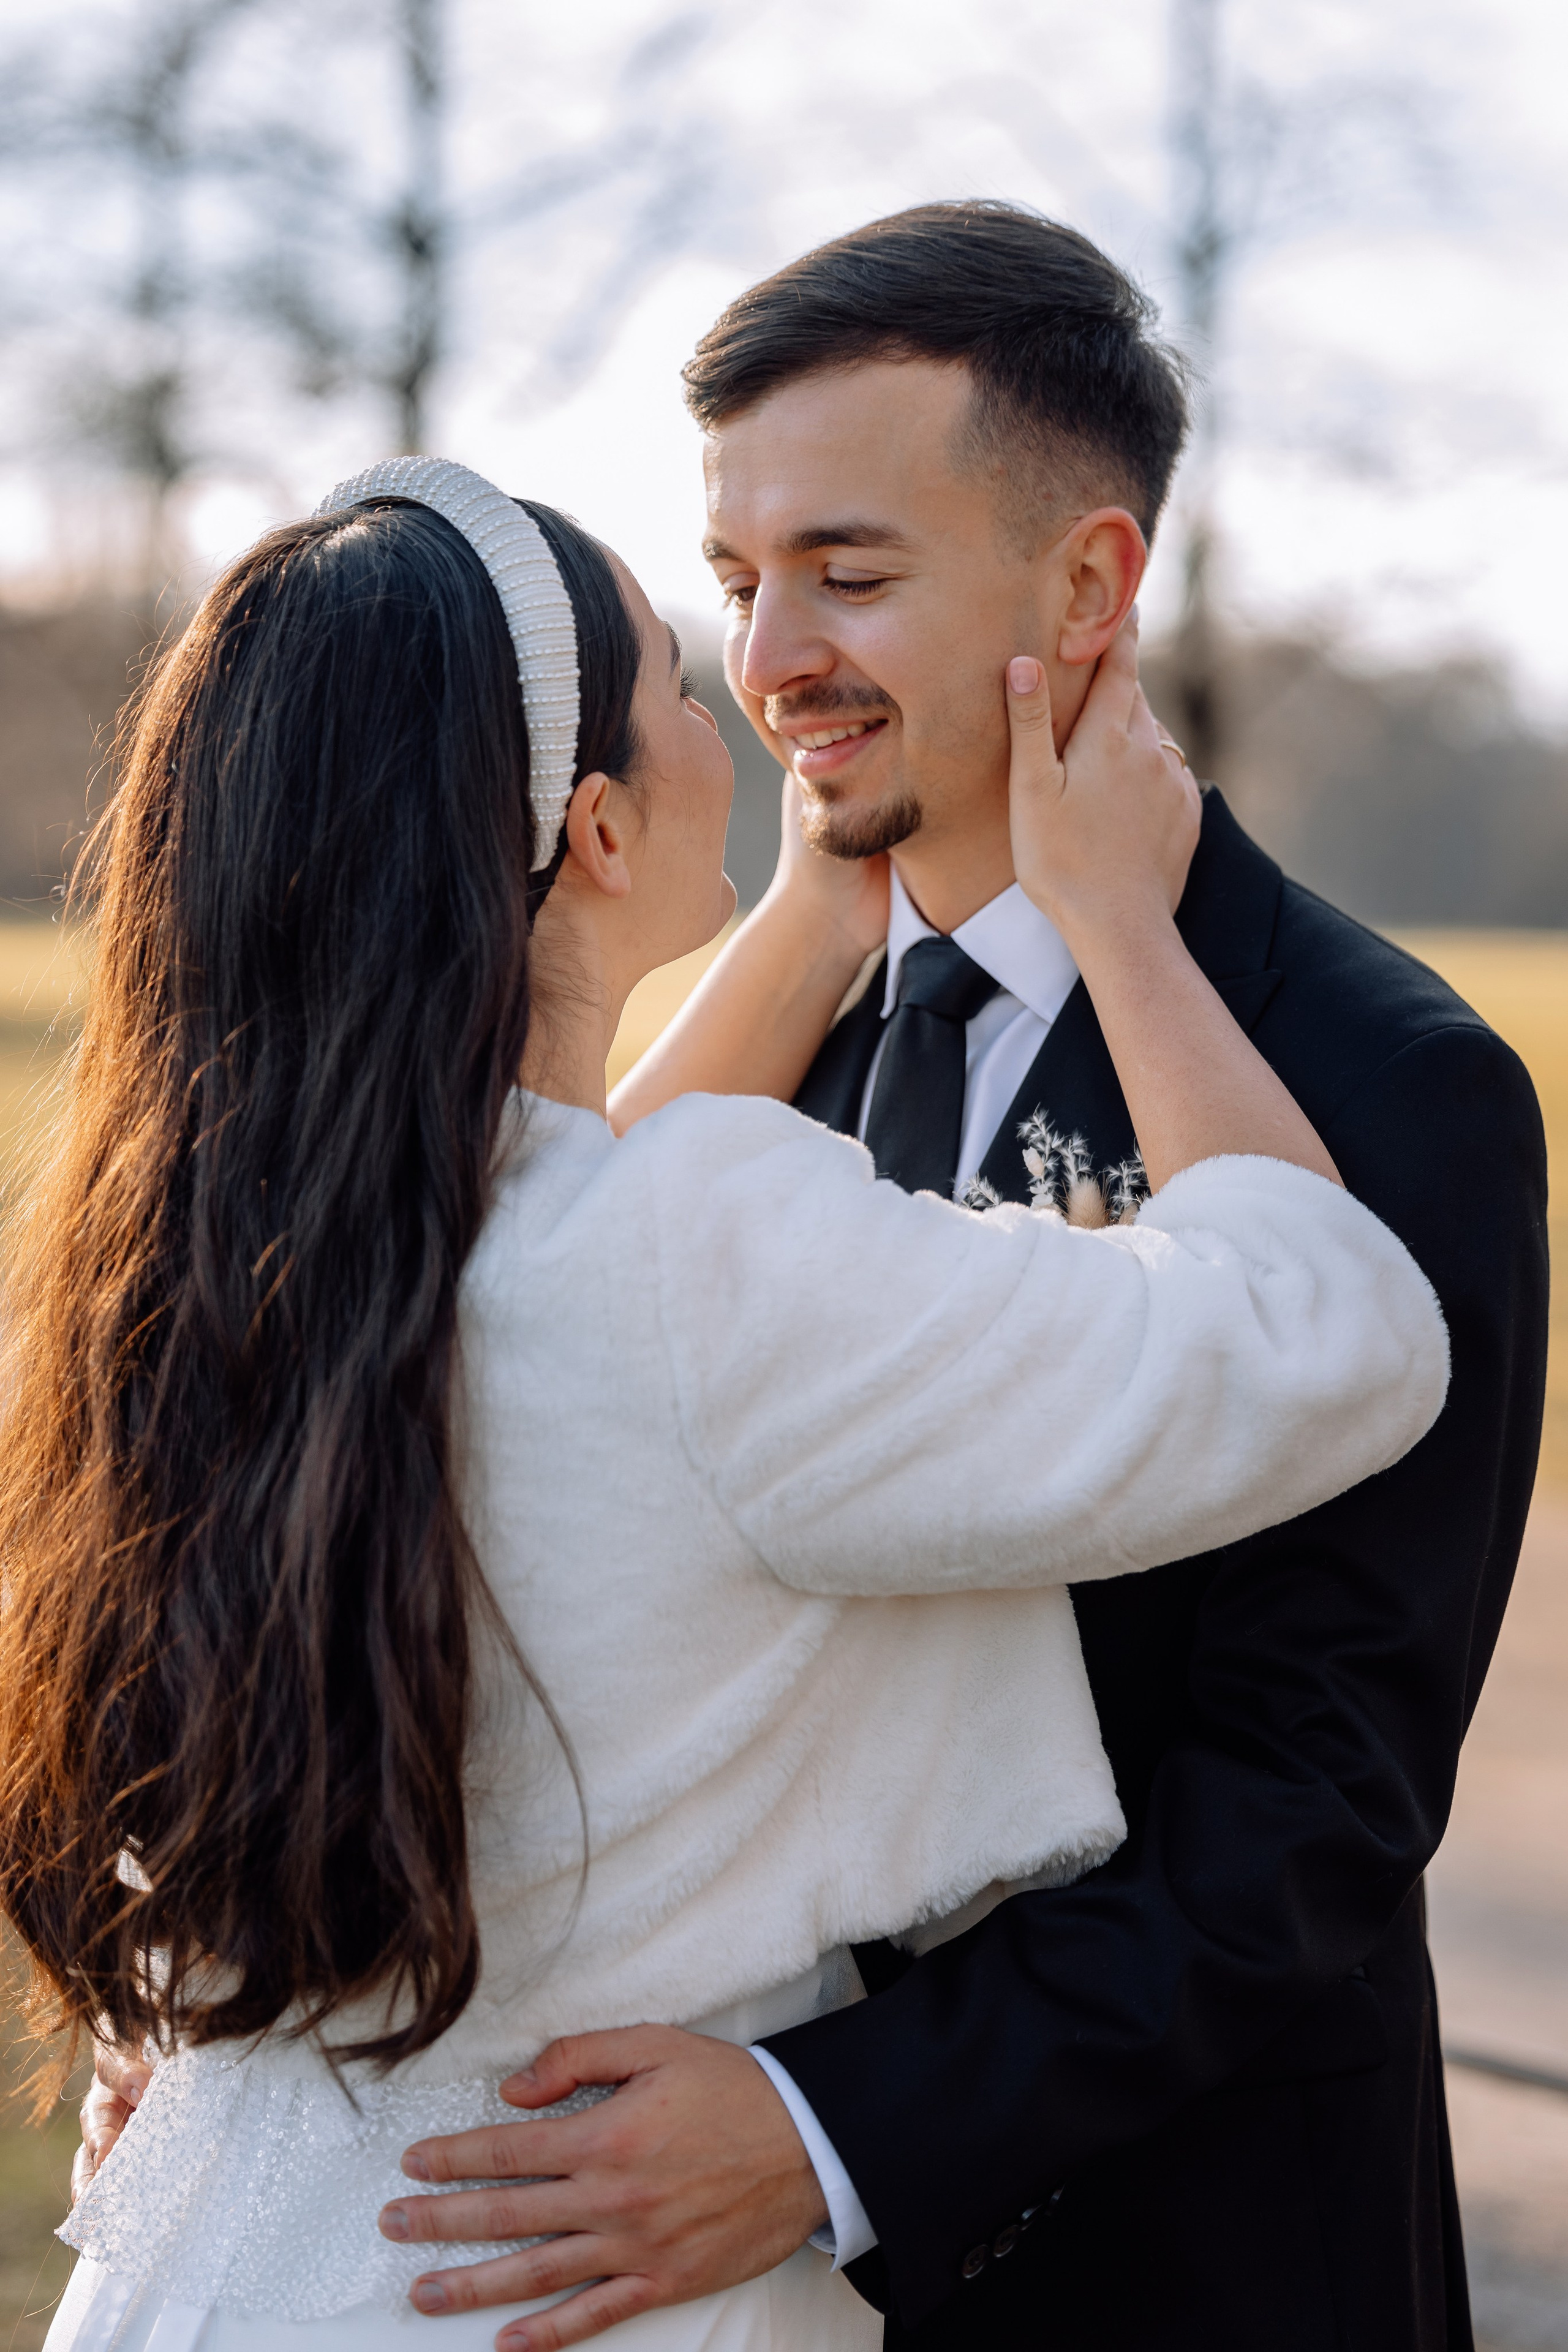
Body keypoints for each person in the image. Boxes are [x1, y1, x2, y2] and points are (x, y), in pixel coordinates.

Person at [10, 444, 1445, 2352]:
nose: (761, 686)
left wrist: (800, 926)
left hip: (205, 2268)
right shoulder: (691, 1254)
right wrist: (1119, 916)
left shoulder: (172, 1273)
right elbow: (1332, 1324)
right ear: (599, 829)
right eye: (689, 662)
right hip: (572, 2290)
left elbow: (571, 1284)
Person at [316, 208, 1549, 2351]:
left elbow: (1317, 1804)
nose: (769, 654)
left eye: (850, 574)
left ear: (1085, 588)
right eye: (737, 585)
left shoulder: (1385, 1076)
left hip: (1187, 2263)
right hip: (666, 2255)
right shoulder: (726, 1049)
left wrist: (822, 2128)